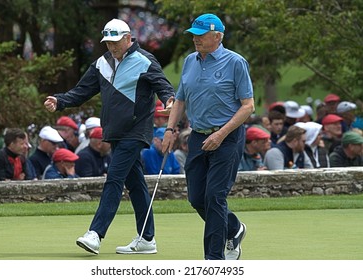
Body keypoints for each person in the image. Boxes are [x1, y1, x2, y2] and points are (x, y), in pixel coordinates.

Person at [44, 18, 175, 255]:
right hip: (114, 131)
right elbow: (82, 91)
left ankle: (95, 233)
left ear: (128, 38)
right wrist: (60, 100)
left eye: (115, 42)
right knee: (135, 184)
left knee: (114, 178)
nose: (112, 47)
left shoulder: (144, 60)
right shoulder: (101, 63)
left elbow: (163, 86)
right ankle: (147, 238)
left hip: (135, 131)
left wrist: (169, 100)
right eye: (108, 43)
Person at [161, 14, 254, 260]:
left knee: (214, 196)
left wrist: (222, 134)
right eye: (193, 34)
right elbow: (180, 99)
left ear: (217, 36)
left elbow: (248, 106)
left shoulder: (235, 62)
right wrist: (170, 130)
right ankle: (233, 228)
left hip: (228, 137)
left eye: (200, 35)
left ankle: (213, 261)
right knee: (196, 197)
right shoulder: (190, 61)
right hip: (198, 137)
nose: (195, 39)